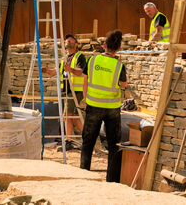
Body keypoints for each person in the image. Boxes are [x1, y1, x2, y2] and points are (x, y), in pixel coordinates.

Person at [81, 29, 127, 182]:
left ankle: (84, 176)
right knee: (114, 144)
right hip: (112, 108)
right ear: (118, 49)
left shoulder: (92, 61)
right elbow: (124, 84)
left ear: (104, 45)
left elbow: (85, 81)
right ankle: (112, 180)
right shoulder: (119, 65)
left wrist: (86, 101)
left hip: (93, 105)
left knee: (88, 142)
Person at [42, 34, 86, 147]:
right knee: (71, 116)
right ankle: (82, 137)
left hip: (75, 90)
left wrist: (70, 69)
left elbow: (81, 72)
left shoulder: (79, 56)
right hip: (66, 91)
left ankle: (69, 140)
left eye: (70, 40)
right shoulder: (64, 59)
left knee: (66, 115)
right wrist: (47, 71)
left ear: (76, 45)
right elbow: (55, 72)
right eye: (67, 40)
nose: (68, 41)